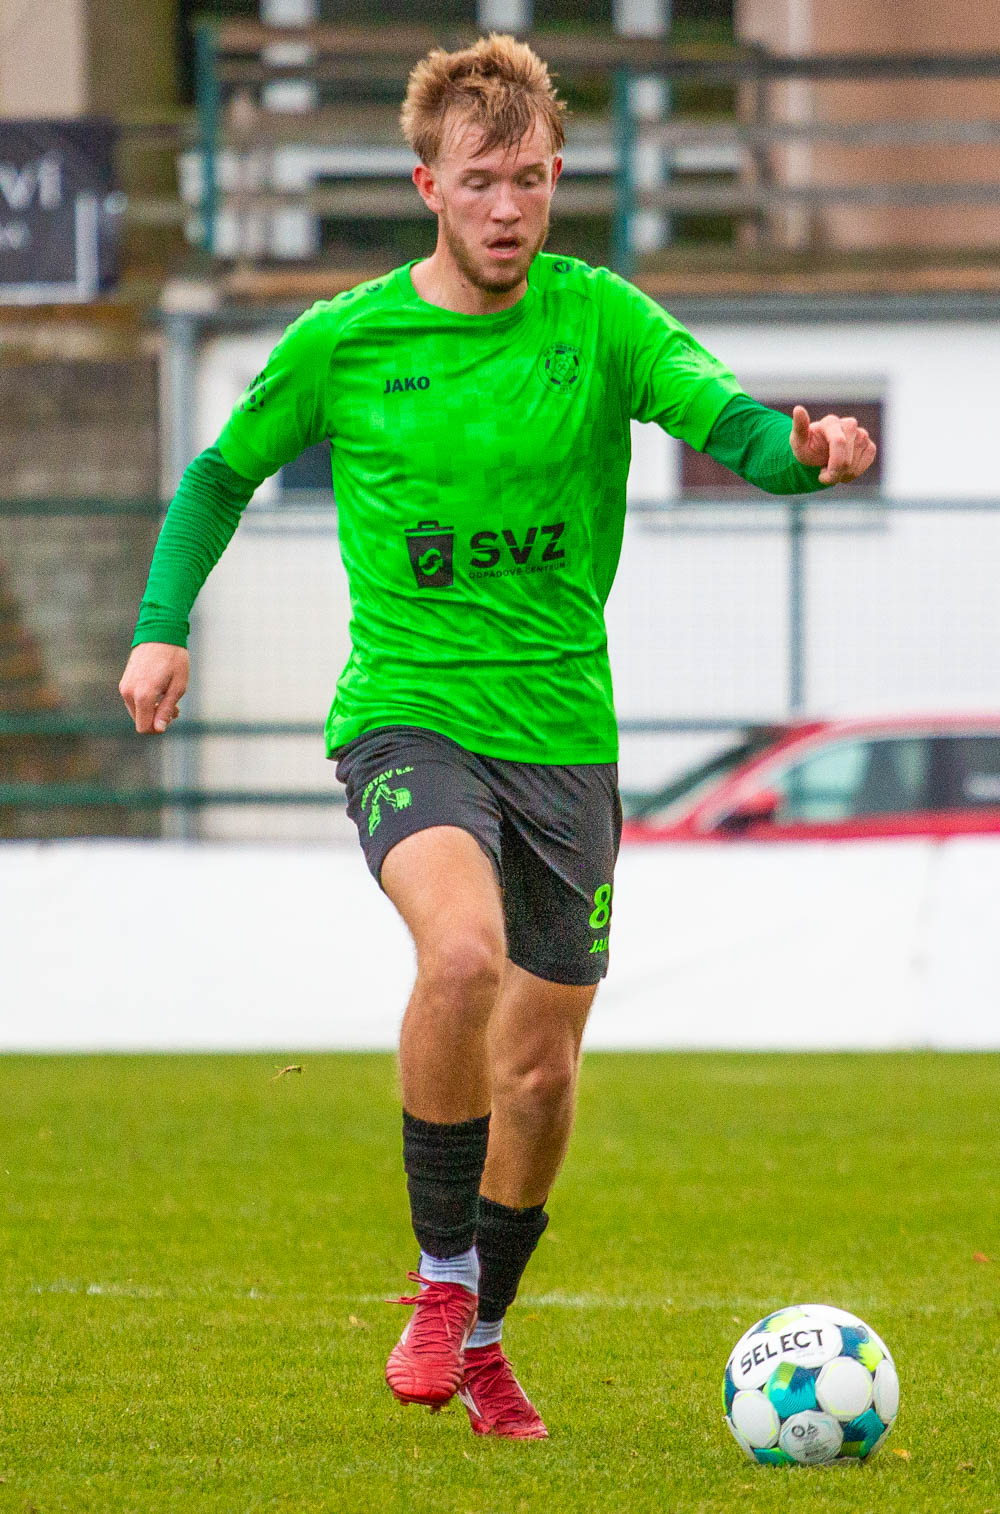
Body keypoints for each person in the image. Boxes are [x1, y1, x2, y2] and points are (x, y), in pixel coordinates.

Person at [119, 33, 876, 1441]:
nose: (509, 207)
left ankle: (485, 1337)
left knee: (539, 1073)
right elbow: (220, 475)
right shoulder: (349, 342)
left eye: (530, 179)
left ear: (557, 177)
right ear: (429, 186)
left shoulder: (601, 320)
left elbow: (726, 422)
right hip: (409, 714)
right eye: (481, 182)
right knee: (459, 954)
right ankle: (439, 1278)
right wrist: (162, 625)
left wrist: (806, 453)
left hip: (563, 736)